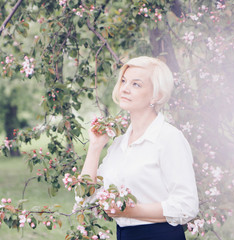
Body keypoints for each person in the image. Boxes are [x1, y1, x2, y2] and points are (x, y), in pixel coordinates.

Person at [80, 56, 199, 240]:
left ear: (156, 95)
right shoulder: (119, 144)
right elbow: (86, 197)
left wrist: (131, 211)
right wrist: (95, 148)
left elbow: (187, 205)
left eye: (136, 84)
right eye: (124, 81)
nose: (125, 88)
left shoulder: (169, 138)